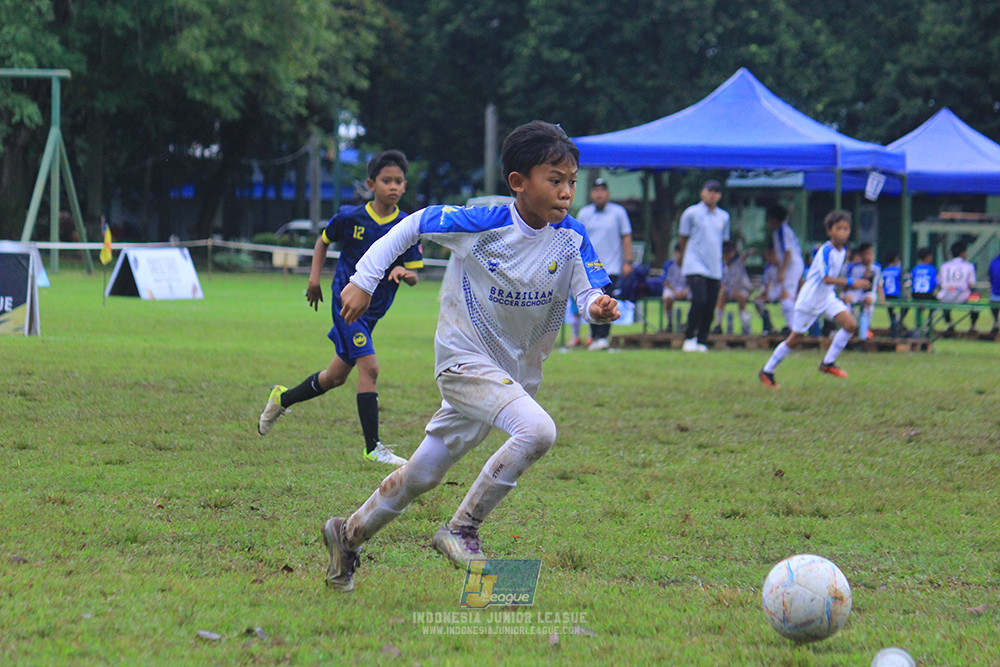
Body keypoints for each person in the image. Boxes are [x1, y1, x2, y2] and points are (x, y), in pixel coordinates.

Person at [321, 121, 620, 592]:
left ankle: (347, 534)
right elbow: (413, 223)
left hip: (511, 377)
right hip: (463, 362)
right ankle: (461, 528)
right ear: (518, 183)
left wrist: (597, 308)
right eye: (555, 180)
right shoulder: (482, 223)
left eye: (572, 181)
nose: (567, 192)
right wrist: (364, 278)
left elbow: (589, 292)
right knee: (538, 430)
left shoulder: (572, 236)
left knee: (422, 473)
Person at [257, 150, 423, 466]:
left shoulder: (407, 225)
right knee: (370, 368)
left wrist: (405, 274)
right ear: (371, 183)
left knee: (334, 378)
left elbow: (415, 272)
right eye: (387, 181)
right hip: (346, 303)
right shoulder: (351, 217)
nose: (394, 187)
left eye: (399, 181)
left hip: (374, 312)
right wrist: (314, 280)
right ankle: (373, 447)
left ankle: (282, 398)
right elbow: (323, 241)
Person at [758, 210, 869, 388]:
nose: (843, 232)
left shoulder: (844, 251)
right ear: (829, 231)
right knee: (795, 339)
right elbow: (826, 278)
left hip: (827, 297)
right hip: (810, 300)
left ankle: (827, 363)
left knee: (850, 325)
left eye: (846, 229)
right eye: (838, 228)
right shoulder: (825, 250)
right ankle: (767, 371)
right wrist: (851, 282)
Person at [575, 178, 633, 350]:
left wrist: (628, 261)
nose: (599, 194)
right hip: (591, 267)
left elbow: (626, 237)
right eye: (596, 190)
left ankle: (604, 337)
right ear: (591, 194)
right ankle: (594, 336)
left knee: (607, 301)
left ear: (608, 193)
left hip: (612, 266)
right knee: (591, 299)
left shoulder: (618, 213)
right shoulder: (584, 213)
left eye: (602, 190)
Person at [678, 179, 730, 352]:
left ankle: (702, 339)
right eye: (710, 191)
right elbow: (683, 238)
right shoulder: (691, 213)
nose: (712, 194)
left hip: (714, 266)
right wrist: (684, 258)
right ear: (702, 192)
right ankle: (689, 337)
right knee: (699, 299)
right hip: (695, 263)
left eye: (716, 191)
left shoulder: (723, 216)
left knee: (710, 303)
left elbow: (723, 242)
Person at [765, 205, 804, 332]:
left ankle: (794, 328)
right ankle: (791, 325)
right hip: (787, 267)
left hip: (792, 266)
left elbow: (788, 253)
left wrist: (782, 271)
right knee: (784, 296)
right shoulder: (777, 232)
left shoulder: (784, 230)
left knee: (787, 296)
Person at [841, 242, 882, 339]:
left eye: (871, 254)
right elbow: (846, 285)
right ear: (861, 255)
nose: (870, 256)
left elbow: (876, 285)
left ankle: (866, 328)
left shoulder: (876, 268)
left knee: (868, 300)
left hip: (868, 293)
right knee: (847, 298)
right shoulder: (852, 267)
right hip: (855, 292)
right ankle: (849, 326)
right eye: (867, 254)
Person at [713, 241, 753, 335]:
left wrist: (749, 252)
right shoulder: (722, 266)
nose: (727, 255)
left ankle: (745, 326)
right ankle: (718, 324)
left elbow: (744, 255)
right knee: (721, 295)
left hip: (743, 289)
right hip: (729, 291)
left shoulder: (738, 262)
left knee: (741, 297)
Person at [938, 240, 979, 333]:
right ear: (962, 253)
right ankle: (973, 325)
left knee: (944, 302)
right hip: (963, 296)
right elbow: (971, 284)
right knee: (976, 296)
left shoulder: (945, 266)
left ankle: (949, 323)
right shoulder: (969, 266)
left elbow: (940, 282)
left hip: (946, 296)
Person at [660, 242, 689, 332]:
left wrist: (685, 290)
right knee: (668, 298)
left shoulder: (689, 265)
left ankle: (689, 323)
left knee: (697, 299)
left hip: (686, 288)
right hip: (672, 288)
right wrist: (676, 291)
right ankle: (669, 324)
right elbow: (665, 281)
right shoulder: (669, 264)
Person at [753, 246, 782, 335]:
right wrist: (762, 293)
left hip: (784, 291)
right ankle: (768, 326)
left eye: (770, 255)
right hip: (772, 292)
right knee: (757, 300)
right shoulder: (768, 267)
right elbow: (765, 284)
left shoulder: (783, 265)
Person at [881, 250, 904, 337]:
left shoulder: (884, 271)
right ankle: (899, 321)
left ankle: (893, 321)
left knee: (891, 310)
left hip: (887, 295)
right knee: (906, 305)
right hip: (897, 294)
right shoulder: (898, 270)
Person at [989, 250, 1000, 333]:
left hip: (995, 296)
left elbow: (991, 279)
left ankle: (996, 321)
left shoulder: (994, 262)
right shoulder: (994, 263)